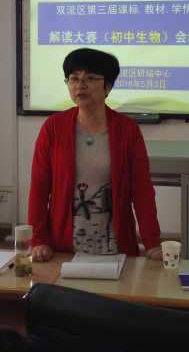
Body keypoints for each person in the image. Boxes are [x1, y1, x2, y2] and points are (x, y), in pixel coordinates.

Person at [28, 48, 162, 262]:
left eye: (90, 78)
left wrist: (152, 243)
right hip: (64, 247)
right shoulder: (53, 127)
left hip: (115, 245)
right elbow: (39, 189)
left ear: (107, 86)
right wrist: (38, 240)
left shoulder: (127, 130)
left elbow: (142, 191)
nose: (80, 85)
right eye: (74, 78)